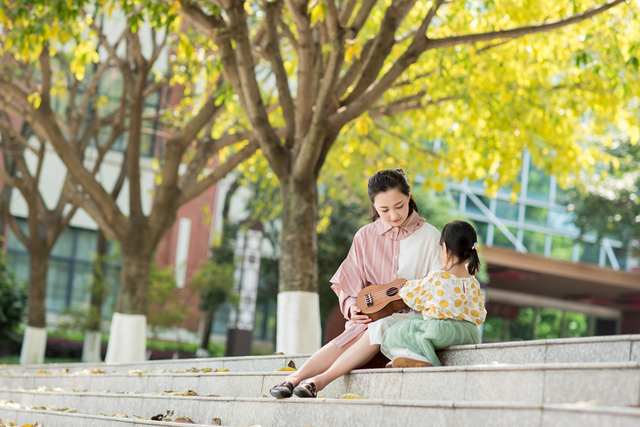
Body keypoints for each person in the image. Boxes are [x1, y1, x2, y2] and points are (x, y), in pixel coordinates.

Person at [270, 169, 443, 399]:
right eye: (384, 210)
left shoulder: (431, 236)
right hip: (371, 317)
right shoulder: (365, 236)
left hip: (409, 319)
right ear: (374, 206)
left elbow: (439, 286)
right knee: (353, 333)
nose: (393, 215)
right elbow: (348, 281)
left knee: (377, 327)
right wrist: (352, 306)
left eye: (399, 205)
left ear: (409, 195)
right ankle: (294, 378)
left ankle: (317, 381)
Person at [381, 220, 487, 368]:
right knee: (417, 328)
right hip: (470, 334)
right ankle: (414, 356)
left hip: (441, 332)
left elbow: (409, 295)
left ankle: (416, 356)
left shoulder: (437, 277)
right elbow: (479, 314)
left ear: (444, 248)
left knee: (397, 333)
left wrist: (421, 281)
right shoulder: (473, 283)